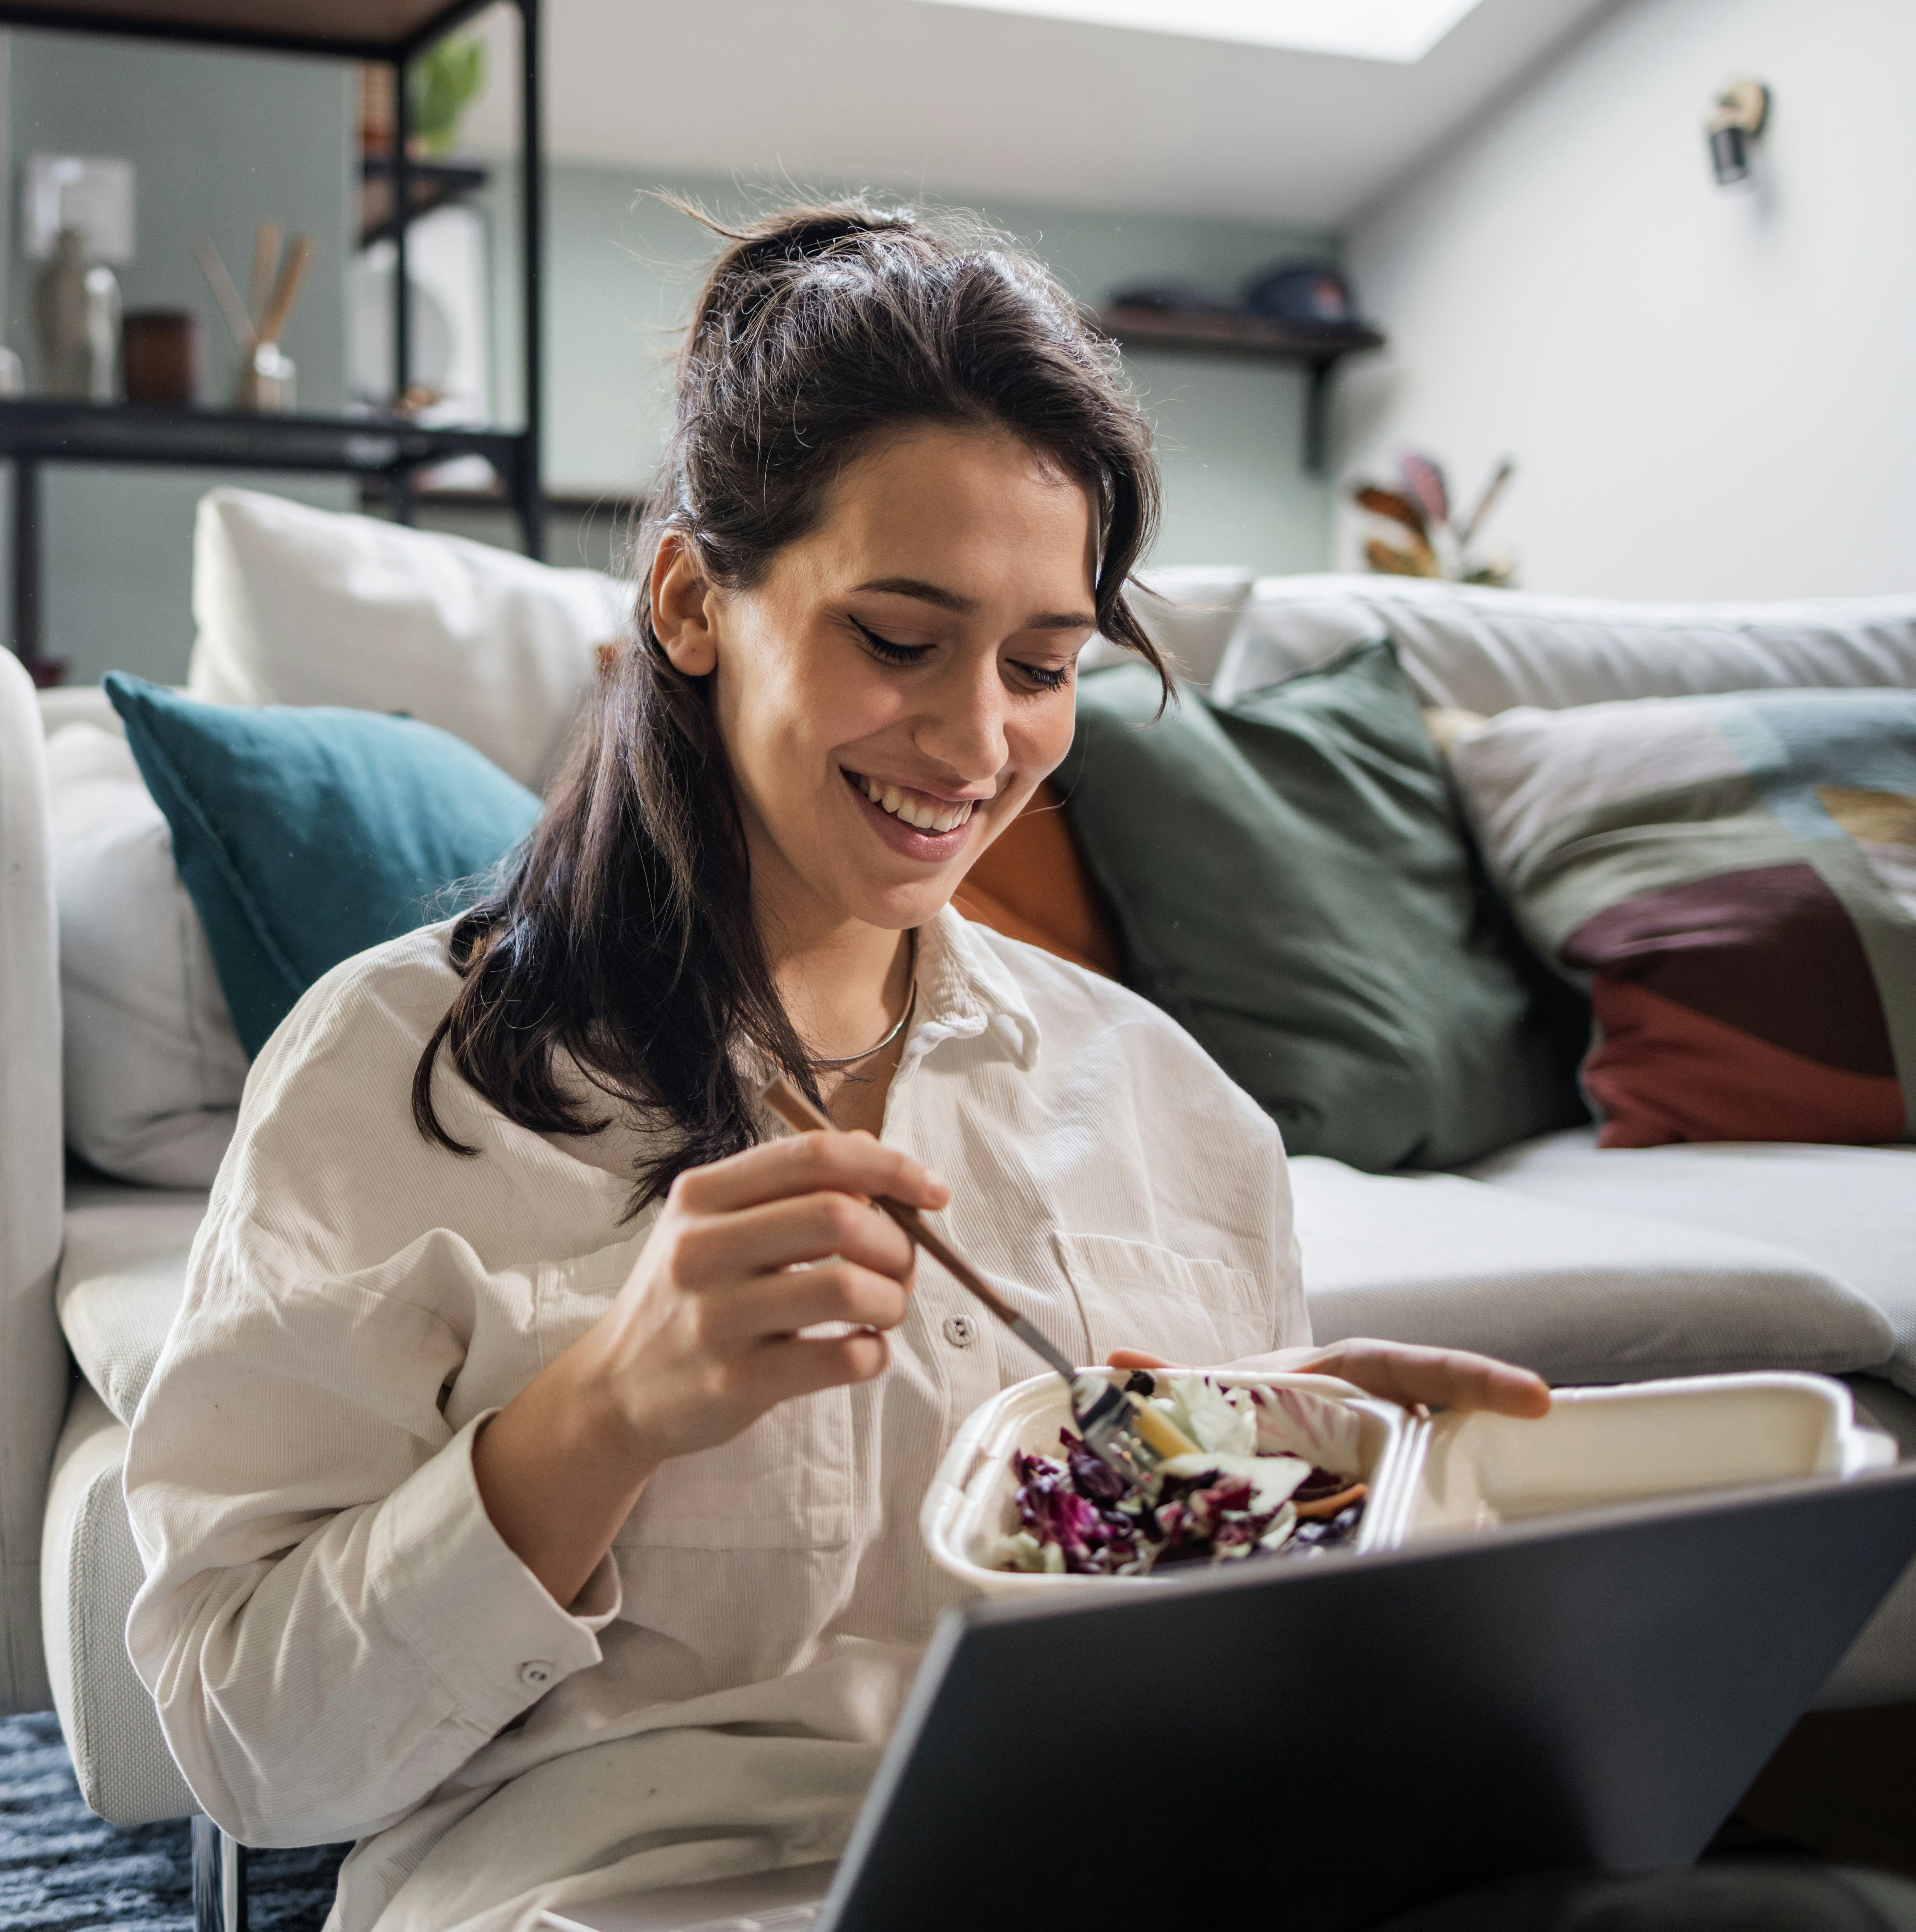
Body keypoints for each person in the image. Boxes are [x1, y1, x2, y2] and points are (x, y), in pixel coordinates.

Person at [122, 202, 1551, 1932]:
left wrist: (1326, 1501)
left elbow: (1201, 1681)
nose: (974, 743)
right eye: (895, 637)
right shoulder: (399, 1068)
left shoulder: (1170, 1108)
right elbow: (243, 1743)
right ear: (689, 602)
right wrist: (609, 1404)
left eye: (1040, 666)